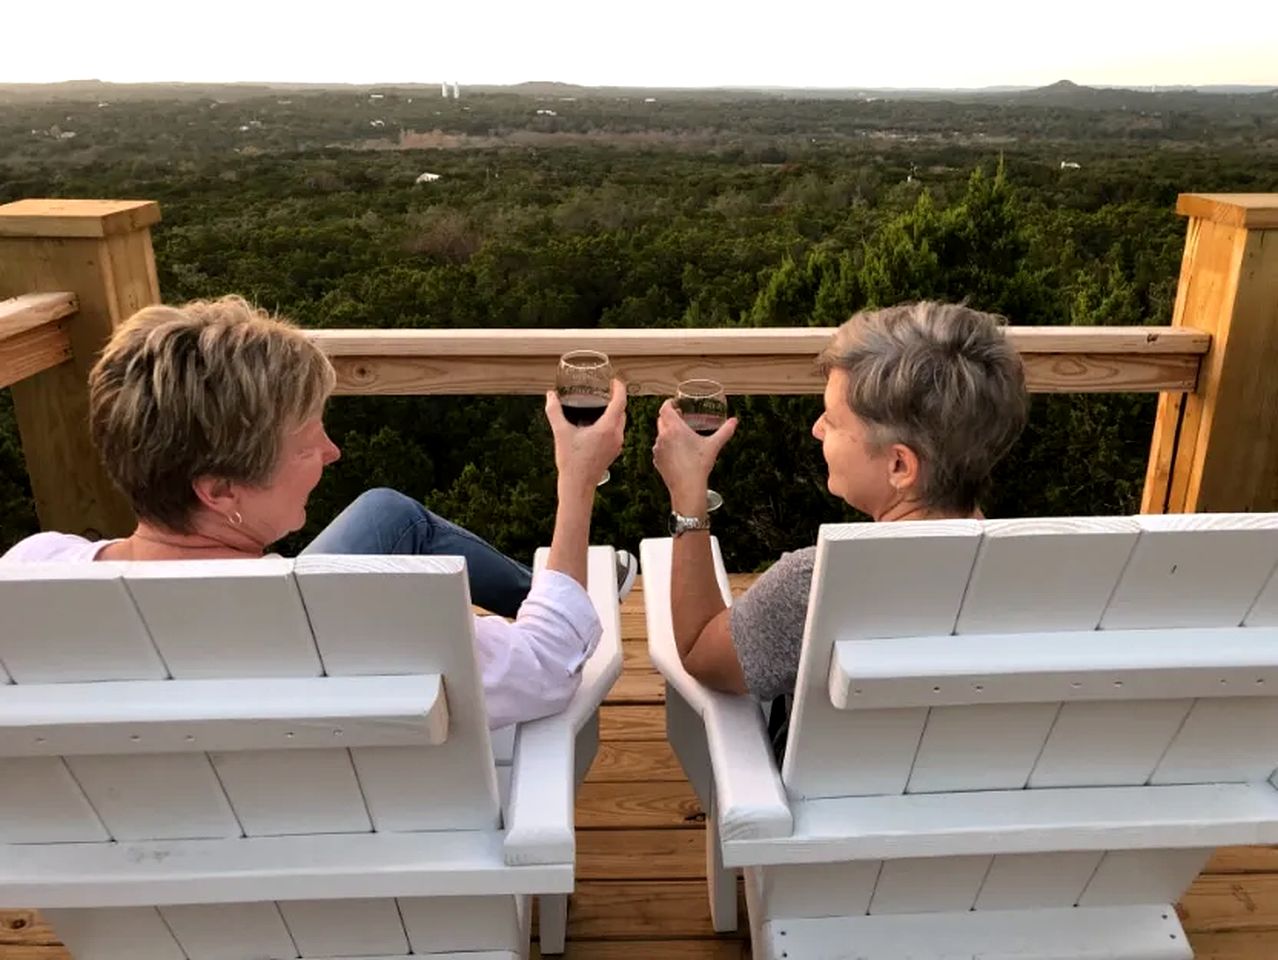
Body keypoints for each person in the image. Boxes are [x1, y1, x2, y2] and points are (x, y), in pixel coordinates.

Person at [2, 295, 634, 728]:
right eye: (308, 442)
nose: (332, 453)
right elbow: (549, 666)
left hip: (135, 896)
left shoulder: (29, 574)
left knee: (386, 512)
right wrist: (575, 481)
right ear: (220, 491)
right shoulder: (359, 617)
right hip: (384, 882)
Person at [651, 301, 1029, 724]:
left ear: (900, 466)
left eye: (832, 420)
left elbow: (700, 655)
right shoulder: (1037, 579)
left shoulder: (815, 586)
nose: (816, 429)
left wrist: (688, 495)